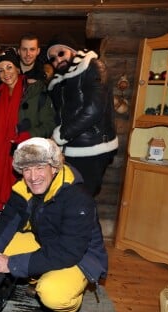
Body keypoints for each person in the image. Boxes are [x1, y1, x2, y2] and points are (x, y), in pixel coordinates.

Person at [0, 137, 108, 312]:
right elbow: (5, 224)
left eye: (39, 167)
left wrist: (13, 264)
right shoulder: (24, 189)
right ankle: (36, 275)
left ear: (54, 167)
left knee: (52, 293)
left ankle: (68, 310)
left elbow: (68, 251)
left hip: (80, 256)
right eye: (27, 169)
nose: (33, 176)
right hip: (45, 241)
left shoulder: (77, 197)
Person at [46, 34, 118, 197]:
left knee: (82, 199)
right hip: (71, 149)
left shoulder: (92, 66)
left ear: (72, 51)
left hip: (93, 147)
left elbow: (94, 109)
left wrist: (61, 134)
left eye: (61, 53)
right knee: (70, 199)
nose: (57, 59)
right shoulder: (59, 81)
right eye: (52, 58)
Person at [0, 48, 56, 212]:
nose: (6, 73)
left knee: (21, 203)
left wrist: (28, 136)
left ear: (18, 68)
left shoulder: (35, 92)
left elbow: (49, 124)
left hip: (26, 159)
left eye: (9, 67)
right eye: (1, 70)